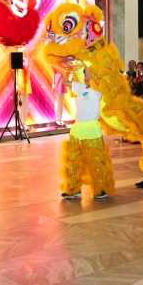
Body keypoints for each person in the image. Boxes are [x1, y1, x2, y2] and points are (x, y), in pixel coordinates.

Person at [60, 71, 114, 200]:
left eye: (90, 72)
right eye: (86, 72)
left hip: (92, 129)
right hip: (77, 128)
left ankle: (100, 189)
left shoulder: (99, 89)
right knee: (74, 161)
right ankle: (73, 189)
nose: (87, 74)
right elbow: (66, 83)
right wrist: (67, 72)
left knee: (96, 160)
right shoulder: (80, 86)